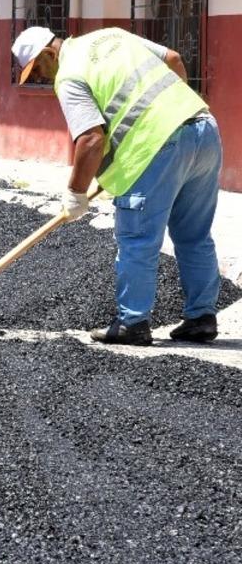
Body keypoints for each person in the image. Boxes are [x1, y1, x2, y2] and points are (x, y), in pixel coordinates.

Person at [12, 25, 220, 346]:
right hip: (203, 130)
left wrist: (76, 193)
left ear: (50, 53)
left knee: (138, 239)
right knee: (194, 235)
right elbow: (175, 59)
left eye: (38, 68)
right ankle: (202, 317)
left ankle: (133, 322)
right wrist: (175, 115)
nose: (41, 77)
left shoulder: (69, 76)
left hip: (154, 148)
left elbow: (92, 139)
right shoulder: (111, 35)